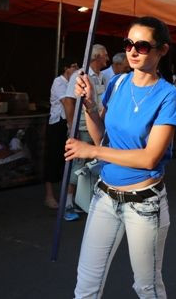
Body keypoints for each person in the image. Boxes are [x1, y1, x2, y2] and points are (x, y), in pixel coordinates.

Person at [66, 16, 176, 298]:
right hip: (105, 196)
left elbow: (149, 159)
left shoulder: (169, 95)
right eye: (129, 43)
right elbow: (101, 138)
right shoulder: (118, 83)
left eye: (142, 45)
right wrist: (90, 105)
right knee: (86, 285)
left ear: (161, 51)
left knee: (147, 287)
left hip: (144, 203)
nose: (132, 51)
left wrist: (91, 152)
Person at [62, 44, 109, 221]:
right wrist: (71, 126)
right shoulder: (80, 74)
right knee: (77, 166)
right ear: (97, 56)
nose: (107, 59)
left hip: (96, 127)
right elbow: (68, 101)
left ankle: (83, 202)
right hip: (81, 128)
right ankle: (67, 204)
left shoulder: (102, 76)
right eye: (105, 55)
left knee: (91, 167)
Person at [43, 57, 79, 209]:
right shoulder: (59, 82)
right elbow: (66, 103)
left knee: (68, 160)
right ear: (66, 68)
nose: (76, 70)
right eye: (73, 67)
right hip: (58, 123)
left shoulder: (72, 83)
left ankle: (68, 196)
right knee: (52, 158)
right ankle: (49, 196)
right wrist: (71, 125)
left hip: (67, 123)